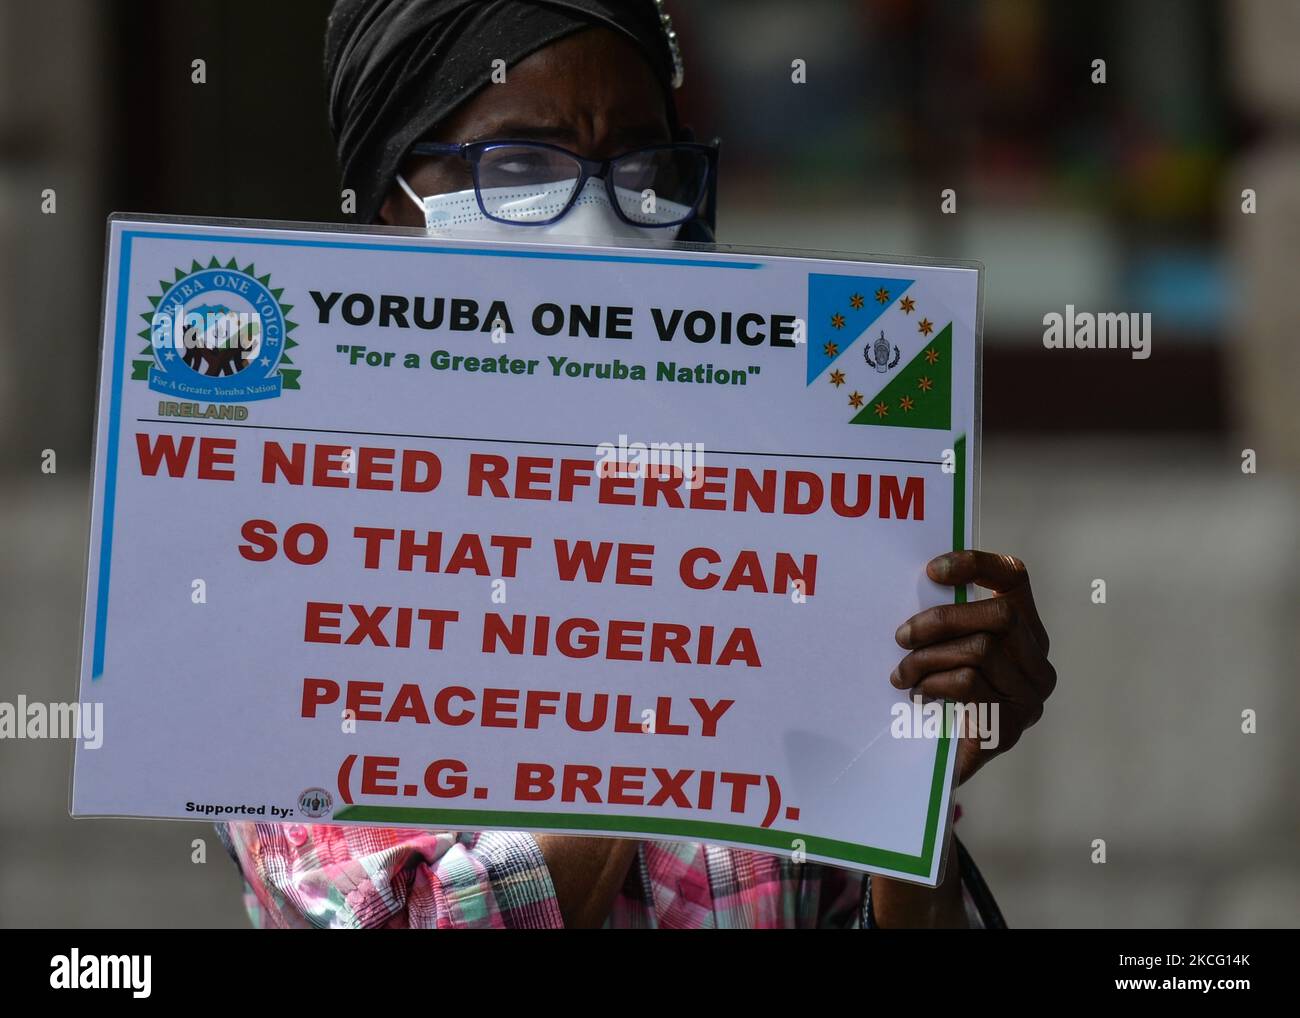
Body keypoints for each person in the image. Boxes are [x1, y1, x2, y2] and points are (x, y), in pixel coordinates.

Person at [218, 0, 1057, 929]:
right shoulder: (290, 554)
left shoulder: (787, 530)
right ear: (393, 203)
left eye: (639, 161)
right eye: (522, 164)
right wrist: (668, 683)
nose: (599, 214)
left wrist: (914, 782)